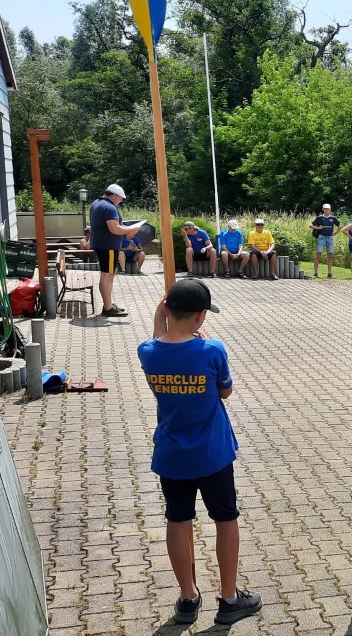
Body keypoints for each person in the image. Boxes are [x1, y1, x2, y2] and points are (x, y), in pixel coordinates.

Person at [137, 279, 262, 626]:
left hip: (172, 455)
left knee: (178, 520)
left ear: (166, 310)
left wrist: (161, 315)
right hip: (212, 453)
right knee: (225, 518)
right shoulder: (212, 350)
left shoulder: (148, 352)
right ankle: (229, 598)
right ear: (201, 315)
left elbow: (158, 340)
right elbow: (225, 392)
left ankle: (188, 597)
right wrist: (199, 342)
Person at [89, 184, 141, 317]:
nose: (121, 201)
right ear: (113, 195)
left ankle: (109, 304)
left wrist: (126, 228)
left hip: (101, 244)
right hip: (108, 246)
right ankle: (108, 308)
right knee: (107, 275)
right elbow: (114, 229)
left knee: (110, 273)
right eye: (120, 198)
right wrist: (130, 229)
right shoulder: (110, 207)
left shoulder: (96, 203)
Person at [310, 204, 339, 279]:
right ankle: (316, 272)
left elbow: (340, 226)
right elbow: (310, 225)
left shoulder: (333, 218)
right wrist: (317, 228)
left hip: (330, 238)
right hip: (321, 237)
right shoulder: (319, 218)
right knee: (318, 254)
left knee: (330, 255)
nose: (328, 210)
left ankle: (329, 273)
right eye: (326, 209)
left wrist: (335, 233)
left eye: (329, 209)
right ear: (323, 209)